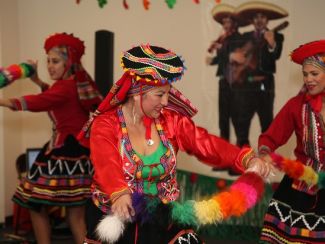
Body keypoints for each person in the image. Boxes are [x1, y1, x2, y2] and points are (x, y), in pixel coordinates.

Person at [81, 44, 272, 244]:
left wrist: (245, 158)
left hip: (161, 219)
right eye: (159, 94)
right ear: (137, 92)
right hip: (115, 219)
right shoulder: (106, 124)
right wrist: (119, 193)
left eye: (167, 93)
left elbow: (205, 143)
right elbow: (106, 162)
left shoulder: (171, 121)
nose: (165, 102)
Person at [0, 32, 102, 244]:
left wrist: (3, 101)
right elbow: (54, 96)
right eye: (47, 60)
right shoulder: (74, 84)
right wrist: (37, 79)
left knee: (35, 204)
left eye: (55, 61)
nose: (49, 65)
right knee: (76, 215)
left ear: (69, 62)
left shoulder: (65, 88)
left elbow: (40, 101)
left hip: (65, 152)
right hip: (80, 153)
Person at [257, 40, 325, 243]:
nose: (308, 79)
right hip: (300, 188)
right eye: (305, 74)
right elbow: (270, 137)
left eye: (314, 74)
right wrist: (264, 155)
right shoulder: (296, 106)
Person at [229, 1, 287, 147]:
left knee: (267, 123)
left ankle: (266, 160)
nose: (259, 20)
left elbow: (276, 54)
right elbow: (232, 54)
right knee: (241, 123)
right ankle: (242, 158)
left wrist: (272, 43)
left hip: (265, 84)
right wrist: (233, 56)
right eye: (256, 17)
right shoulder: (244, 36)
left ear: (267, 20)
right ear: (252, 21)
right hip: (246, 85)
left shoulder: (276, 35)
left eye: (263, 17)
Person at [206, 3, 247, 141]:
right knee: (223, 119)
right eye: (223, 21)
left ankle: (241, 152)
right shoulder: (224, 39)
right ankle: (224, 153)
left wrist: (222, 50)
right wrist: (213, 60)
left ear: (234, 22)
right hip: (224, 80)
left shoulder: (239, 38)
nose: (225, 24)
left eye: (227, 21)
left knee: (237, 119)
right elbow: (224, 57)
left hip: (236, 82)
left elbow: (236, 56)